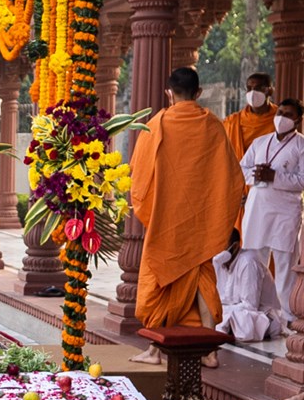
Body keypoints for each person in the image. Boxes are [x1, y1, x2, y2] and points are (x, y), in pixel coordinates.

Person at [129, 68, 245, 366]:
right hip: (202, 223)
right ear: (199, 93)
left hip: (166, 222)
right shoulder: (214, 125)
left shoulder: (156, 125)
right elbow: (232, 177)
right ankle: (209, 351)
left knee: (161, 282)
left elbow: (139, 179)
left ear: (169, 92)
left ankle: (155, 351)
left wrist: (150, 211)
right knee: (202, 279)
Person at [239, 98, 304, 316]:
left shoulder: (301, 145)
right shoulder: (260, 142)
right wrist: (256, 176)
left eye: (288, 115)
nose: (282, 118)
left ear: (298, 120)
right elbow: (242, 167)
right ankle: (253, 312)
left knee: (285, 263)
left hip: (285, 212)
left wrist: (275, 176)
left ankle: (287, 316)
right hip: (257, 208)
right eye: (281, 113)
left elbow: (302, 180)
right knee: (253, 261)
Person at [214, 229, 287, 342]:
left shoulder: (248, 261)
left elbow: (250, 305)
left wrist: (221, 309)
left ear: (235, 246)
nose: (217, 251)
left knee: (241, 320)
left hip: (262, 315)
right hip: (235, 309)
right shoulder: (220, 263)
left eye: (221, 246)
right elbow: (221, 297)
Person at [225, 73, 276, 230]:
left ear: (270, 91)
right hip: (240, 192)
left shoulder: (280, 120)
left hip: (271, 191)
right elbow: (225, 161)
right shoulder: (233, 122)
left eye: (259, 88)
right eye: (249, 88)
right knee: (240, 243)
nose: (253, 93)